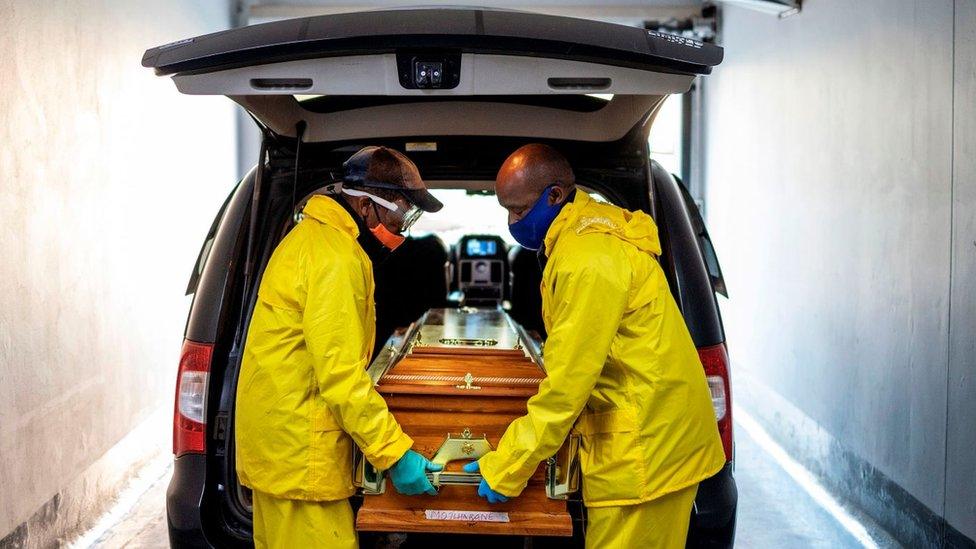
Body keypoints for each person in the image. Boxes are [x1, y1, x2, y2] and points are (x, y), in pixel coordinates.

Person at [466, 144, 726, 548]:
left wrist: (508, 465)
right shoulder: (582, 238)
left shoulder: (587, 258)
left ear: (555, 195)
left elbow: (568, 385)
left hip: (647, 452)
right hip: (649, 439)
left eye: (518, 211)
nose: (512, 222)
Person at [236, 146, 445, 549]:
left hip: (284, 450)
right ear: (367, 205)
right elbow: (341, 377)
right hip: (301, 459)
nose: (403, 228)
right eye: (401, 214)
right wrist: (394, 454)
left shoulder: (314, 238)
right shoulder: (335, 258)